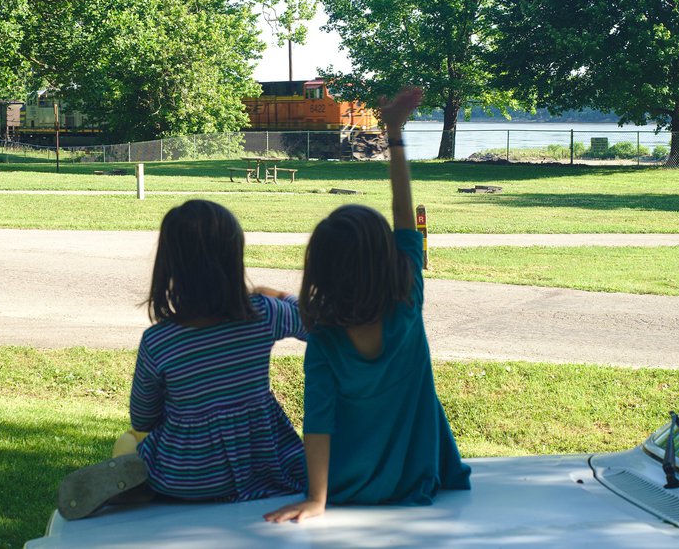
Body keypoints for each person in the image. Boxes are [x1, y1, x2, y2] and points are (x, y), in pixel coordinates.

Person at [265, 86, 471, 524]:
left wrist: (317, 500)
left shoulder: (324, 337)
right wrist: (395, 134)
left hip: (345, 485)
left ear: (322, 268)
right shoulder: (407, 301)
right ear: (386, 258)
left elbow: (319, 421)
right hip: (413, 479)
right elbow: (402, 214)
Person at [57, 199, 307, 520]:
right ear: (234, 260)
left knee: (131, 440)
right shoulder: (263, 313)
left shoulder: (158, 341)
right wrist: (283, 296)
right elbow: (320, 325)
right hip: (264, 465)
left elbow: (143, 418)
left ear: (169, 268)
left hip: (183, 476)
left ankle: (137, 478)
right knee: (293, 460)